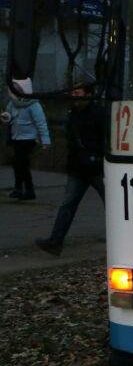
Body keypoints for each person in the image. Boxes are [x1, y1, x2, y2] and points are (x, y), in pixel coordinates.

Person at [36, 89, 106, 256]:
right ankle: (55, 241)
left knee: (109, 204)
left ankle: (56, 241)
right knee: (68, 204)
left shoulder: (95, 114)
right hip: (81, 167)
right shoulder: (76, 114)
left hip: (93, 167)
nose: (75, 97)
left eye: (79, 94)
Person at [4, 78, 50, 200]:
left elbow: (41, 123)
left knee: (20, 163)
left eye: (16, 88)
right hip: (17, 137)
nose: (13, 91)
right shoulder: (12, 103)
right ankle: (21, 189)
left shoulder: (34, 105)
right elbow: (9, 116)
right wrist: (5, 117)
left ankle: (26, 190)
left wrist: (45, 141)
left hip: (29, 139)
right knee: (19, 164)